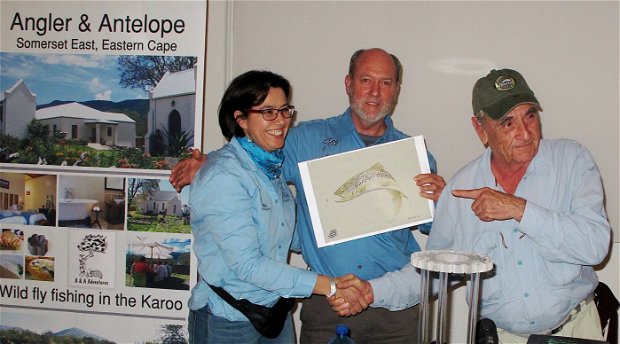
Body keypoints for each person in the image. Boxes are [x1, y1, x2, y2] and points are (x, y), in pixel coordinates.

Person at [171, 48, 446, 344]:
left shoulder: (413, 154)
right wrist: (208, 162)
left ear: (396, 90)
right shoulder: (303, 138)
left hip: (397, 308)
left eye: (386, 83)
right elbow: (251, 156)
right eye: (366, 80)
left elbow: (436, 229)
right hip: (327, 306)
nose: (375, 92)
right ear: (348, 83)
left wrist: (444, 204)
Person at [333, 68, 611, 342]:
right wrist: (372, 291)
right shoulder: (460, 190)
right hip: (503, 337)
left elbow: (595, 247)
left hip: (574, 330)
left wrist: (520, 209)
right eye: (508, 122)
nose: (525, 133)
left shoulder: (572, 160)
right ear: (481, 129)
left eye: (530, 116)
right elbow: (433, 273)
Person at [187, 70, 365, 344]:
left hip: (274, 310)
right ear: (241, 119)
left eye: (284, 110)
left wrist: (348, 237)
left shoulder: (271, 167)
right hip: (228, 319)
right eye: (268, 112)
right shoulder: (223, 176)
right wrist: (329, 285)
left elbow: (290, 236)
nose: (281, 121)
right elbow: (249, 265)